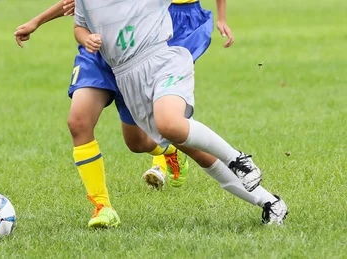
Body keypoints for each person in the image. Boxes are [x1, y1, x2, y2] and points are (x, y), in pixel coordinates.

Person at [74, 0, 288, 225]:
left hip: (161, 62)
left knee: (170, 123)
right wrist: (80, 35)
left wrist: (222, 17)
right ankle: (269, 202)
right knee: (167, 143)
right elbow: (78, 24)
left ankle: (237, 159)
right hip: (127, 78)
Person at [15, 1, 190, 229]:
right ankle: (102, 207)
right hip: (96, 60)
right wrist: (38, 22)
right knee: (78, 122)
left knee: (137, 143)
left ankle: (169, 151)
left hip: (134, 60)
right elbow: (76, 7)